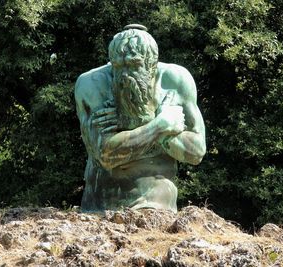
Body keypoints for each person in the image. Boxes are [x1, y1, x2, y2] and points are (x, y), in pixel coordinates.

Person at [75, 24, 206, 212]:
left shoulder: (175, 81)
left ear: (151, 64)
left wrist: (130, 128)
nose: (125, 75)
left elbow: (196, 152)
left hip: (158, 204)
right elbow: (106, 155)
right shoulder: (92, 84)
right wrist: (160, 125)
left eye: (134, 65)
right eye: (118, 66)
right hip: (101, 205)